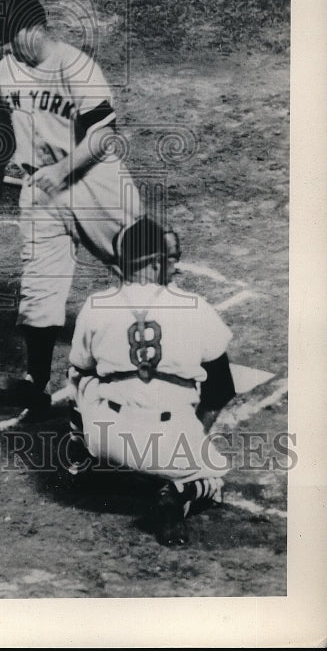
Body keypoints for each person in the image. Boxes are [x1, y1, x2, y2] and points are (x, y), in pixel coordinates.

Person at [0, 0, 145, 418]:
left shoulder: (75, 66)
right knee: (39, 285)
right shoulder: (6, 70)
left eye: (9, 36)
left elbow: (103, 135)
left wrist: (64, 170)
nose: (5, 46)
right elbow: (4, 127)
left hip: (95, 182)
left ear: (34, 29)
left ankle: (173, 358)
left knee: (139, 267)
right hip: (40, 189)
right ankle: (36, 383)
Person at [64, 216, 236, 545]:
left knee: (81, 377)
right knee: (213, 481)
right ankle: (177, 494)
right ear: (156, 262)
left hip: (108, 438)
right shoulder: (196, 307)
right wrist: (192, 432)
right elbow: (221, 389)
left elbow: (79, 369)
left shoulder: (95, 306)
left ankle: (82, 460)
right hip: (171, 446)